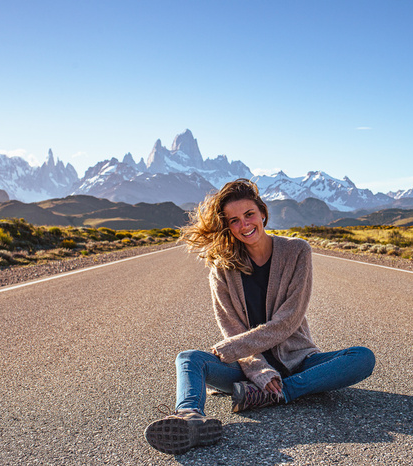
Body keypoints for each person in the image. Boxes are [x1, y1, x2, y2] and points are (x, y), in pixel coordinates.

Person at [144, 178, 375, 455]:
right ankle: (190, 418)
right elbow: (232, 327)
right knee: (189, 358)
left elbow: (288, 320)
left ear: (263, 213)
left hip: (299, 360)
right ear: (228, 226)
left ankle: (282, 391)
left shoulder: (297, 251)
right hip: (246, 371)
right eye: (234, 220)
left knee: (362, 357)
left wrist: (234, 349)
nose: (244, 225)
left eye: (249, 214)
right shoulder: (222, 268)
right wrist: (260, 371)